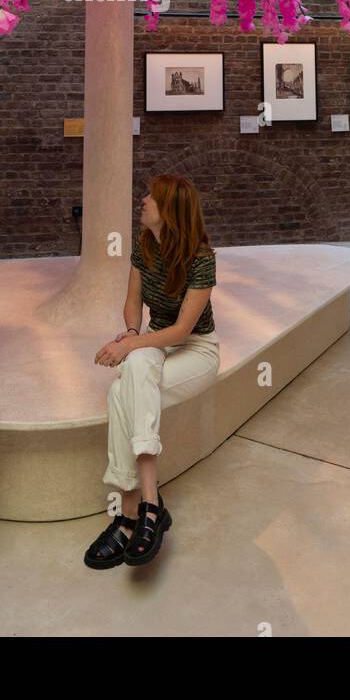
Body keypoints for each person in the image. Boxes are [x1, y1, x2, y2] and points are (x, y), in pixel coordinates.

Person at [84, 173, 220, 569]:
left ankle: (129, 516)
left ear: (170, 211)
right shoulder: (145, 246)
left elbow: (182, 330)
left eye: (151, 197)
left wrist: (125, 346)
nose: (142, 200)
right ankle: (148, 505)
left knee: (119, 391)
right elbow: (132, 303)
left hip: (196, 347)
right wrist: (129, 334)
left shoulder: (201, 258)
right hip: (157, 342)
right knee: (137, 365)